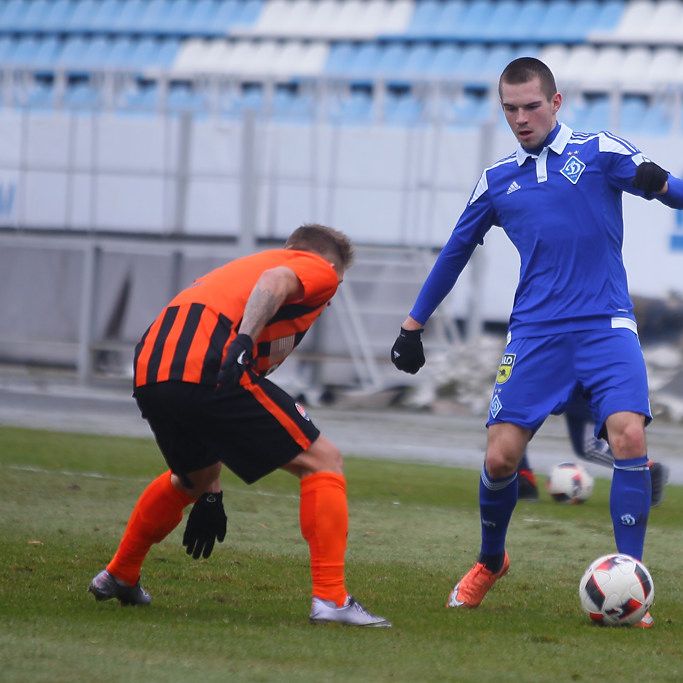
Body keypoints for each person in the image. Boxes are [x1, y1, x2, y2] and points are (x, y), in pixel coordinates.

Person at [391, 57, 683, 628]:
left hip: (606, 325)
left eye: (531, 106)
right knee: (501, 458)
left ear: (556, 101)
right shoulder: (498, 180)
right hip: (535, 334)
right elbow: (455, 251)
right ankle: (490, 561)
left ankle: (631, 580)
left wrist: (663, 186)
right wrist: (413, 324)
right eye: (510, 109)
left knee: (627, 436)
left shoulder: (600, 151)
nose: (521, 119)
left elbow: (667, 187)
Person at [89, 223, 391, 628]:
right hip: (207, 364)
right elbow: (276, 281)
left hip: (152, 369)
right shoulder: (313, 267)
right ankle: (332, 599)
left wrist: (211, 491)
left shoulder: (240, 268)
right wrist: (245, 340)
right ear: (330, 265)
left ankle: (120, 574)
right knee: (323, 461)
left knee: (193, 479)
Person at [517, 386, 670, 505]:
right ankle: (523, 480)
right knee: (516, 415)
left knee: (588, 446)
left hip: (571, 369)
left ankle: (646, 469)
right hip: (555, 365)